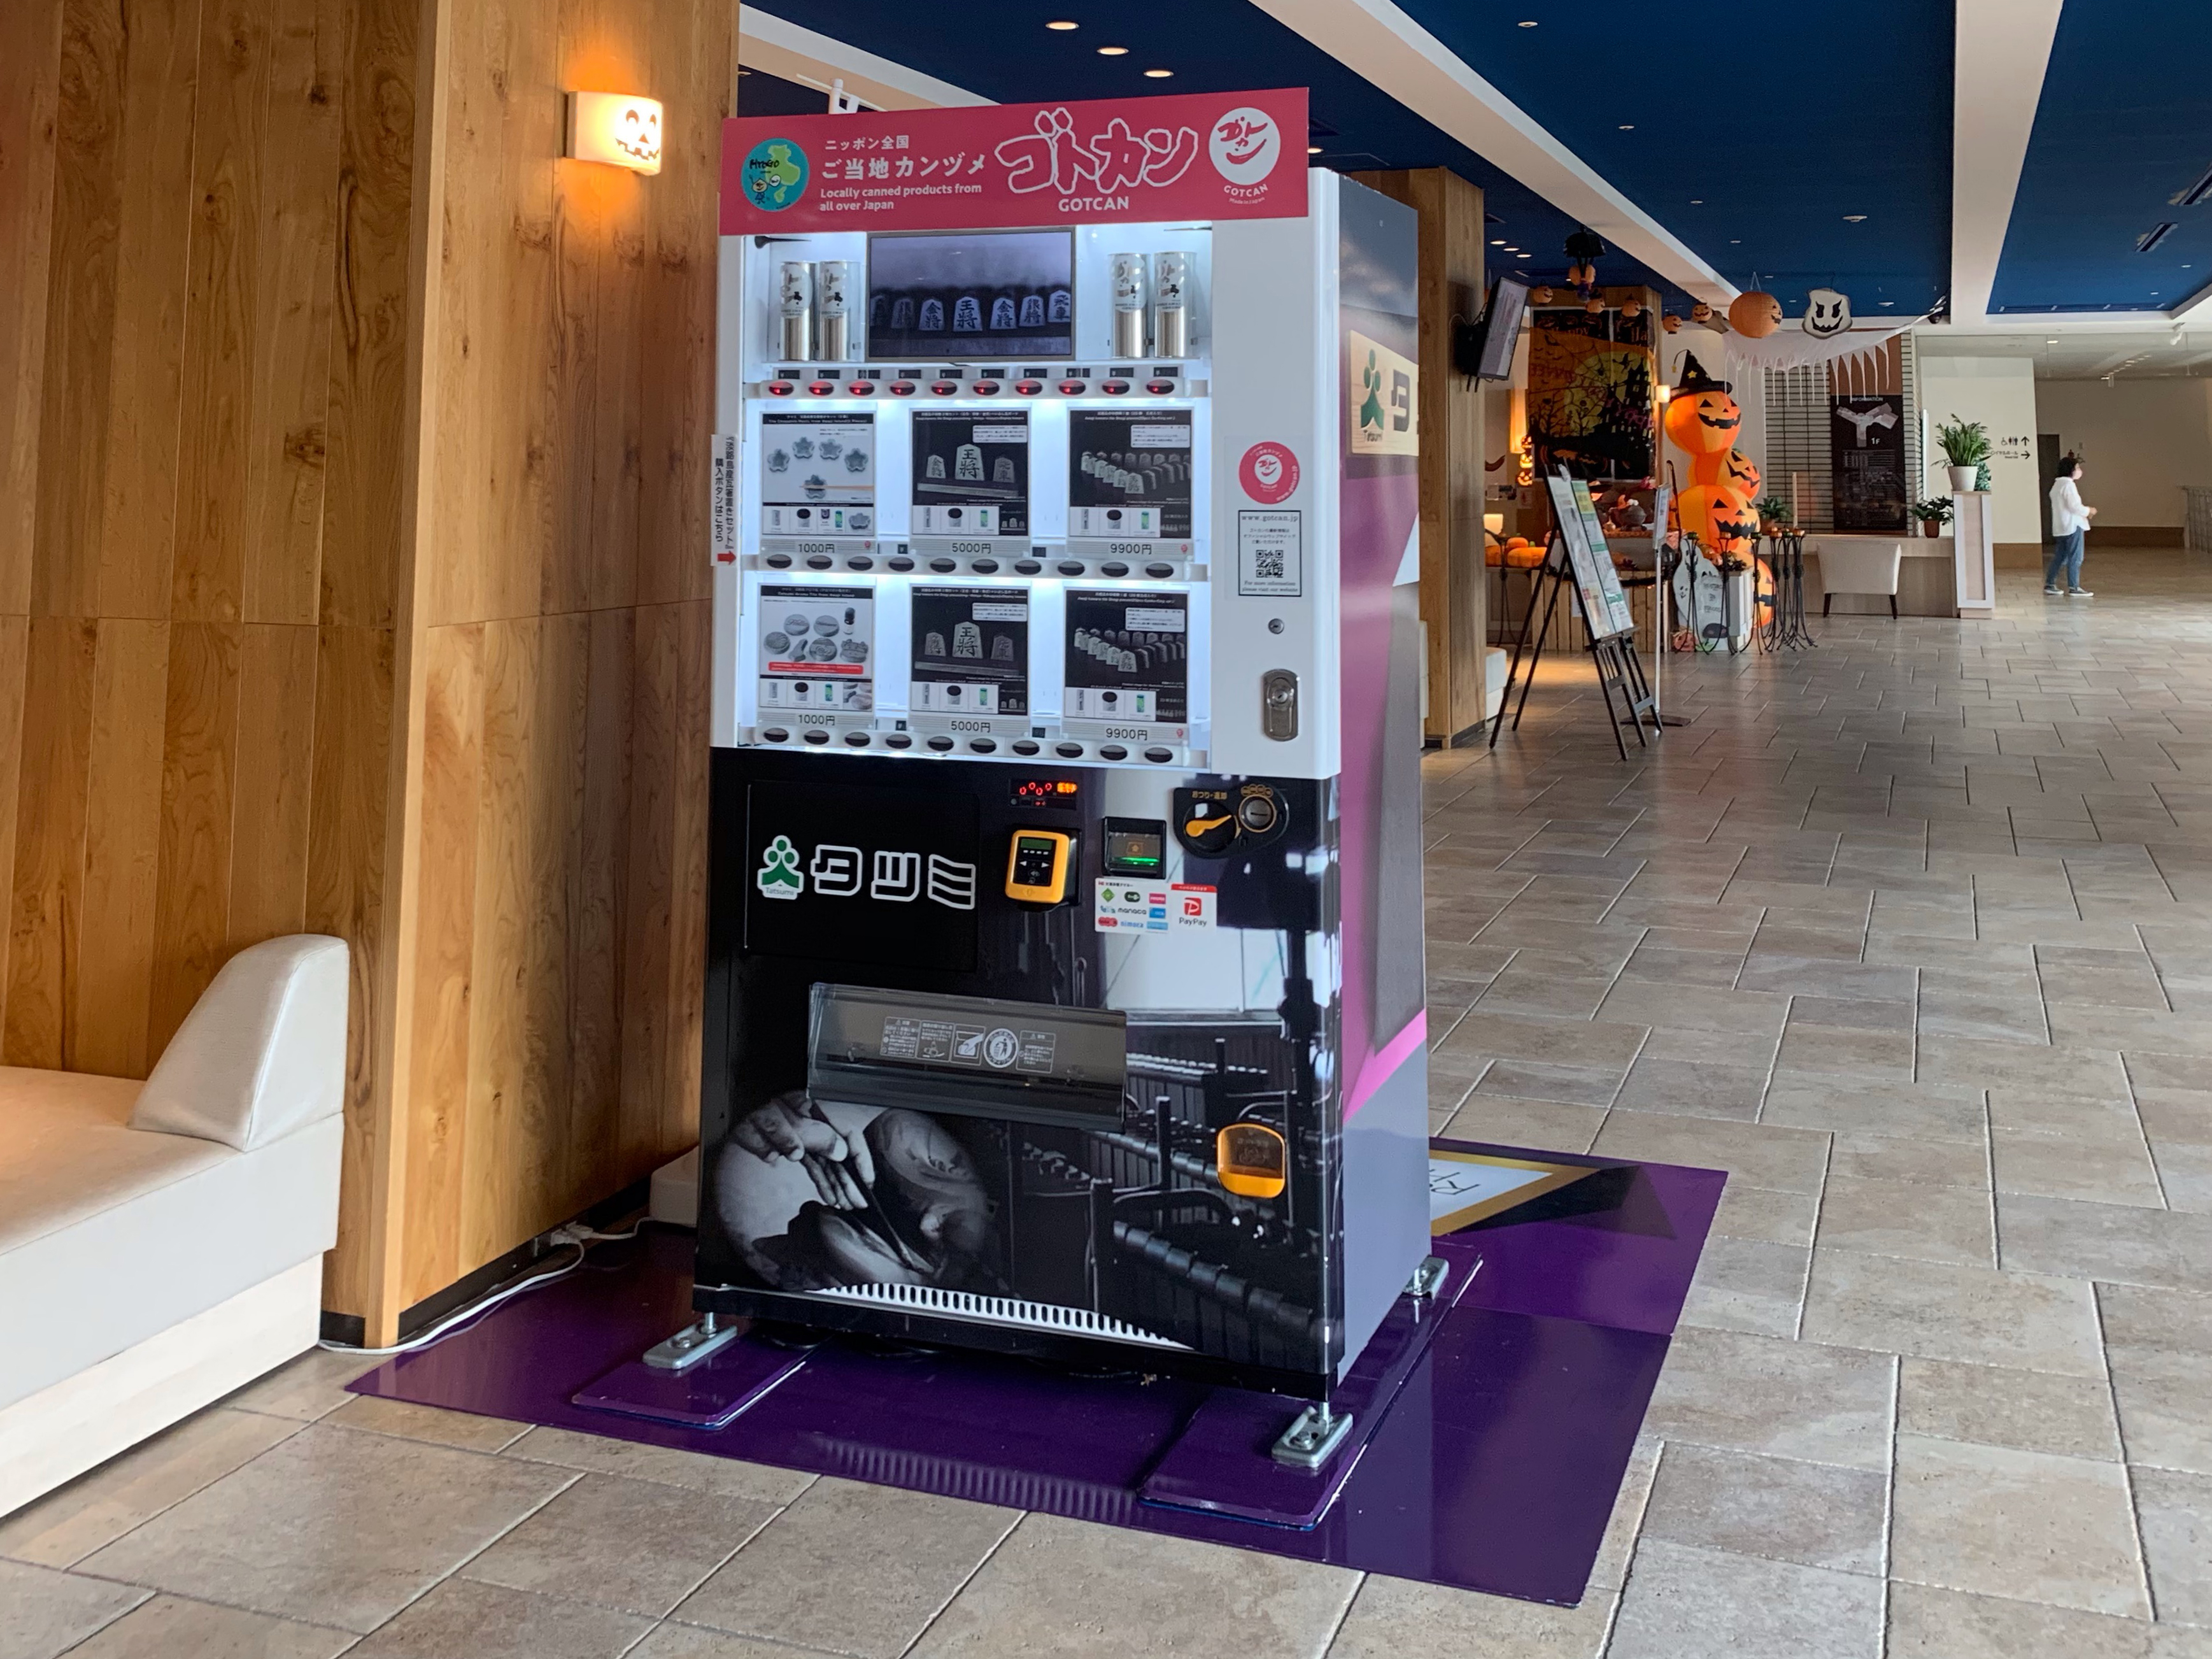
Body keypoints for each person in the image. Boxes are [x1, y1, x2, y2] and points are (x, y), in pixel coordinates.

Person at [2046, 455, 2097, 597]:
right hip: (2073, 526)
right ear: (2070, 470)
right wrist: (2089, 511)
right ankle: (2074, 587)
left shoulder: (2057, 485)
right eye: (2077, 468)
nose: (2079, 471)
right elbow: (2074, 507)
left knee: (2060, 557)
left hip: (2061, 527)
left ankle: (2050, 583)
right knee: (2076, 557)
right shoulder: (2068, 484)